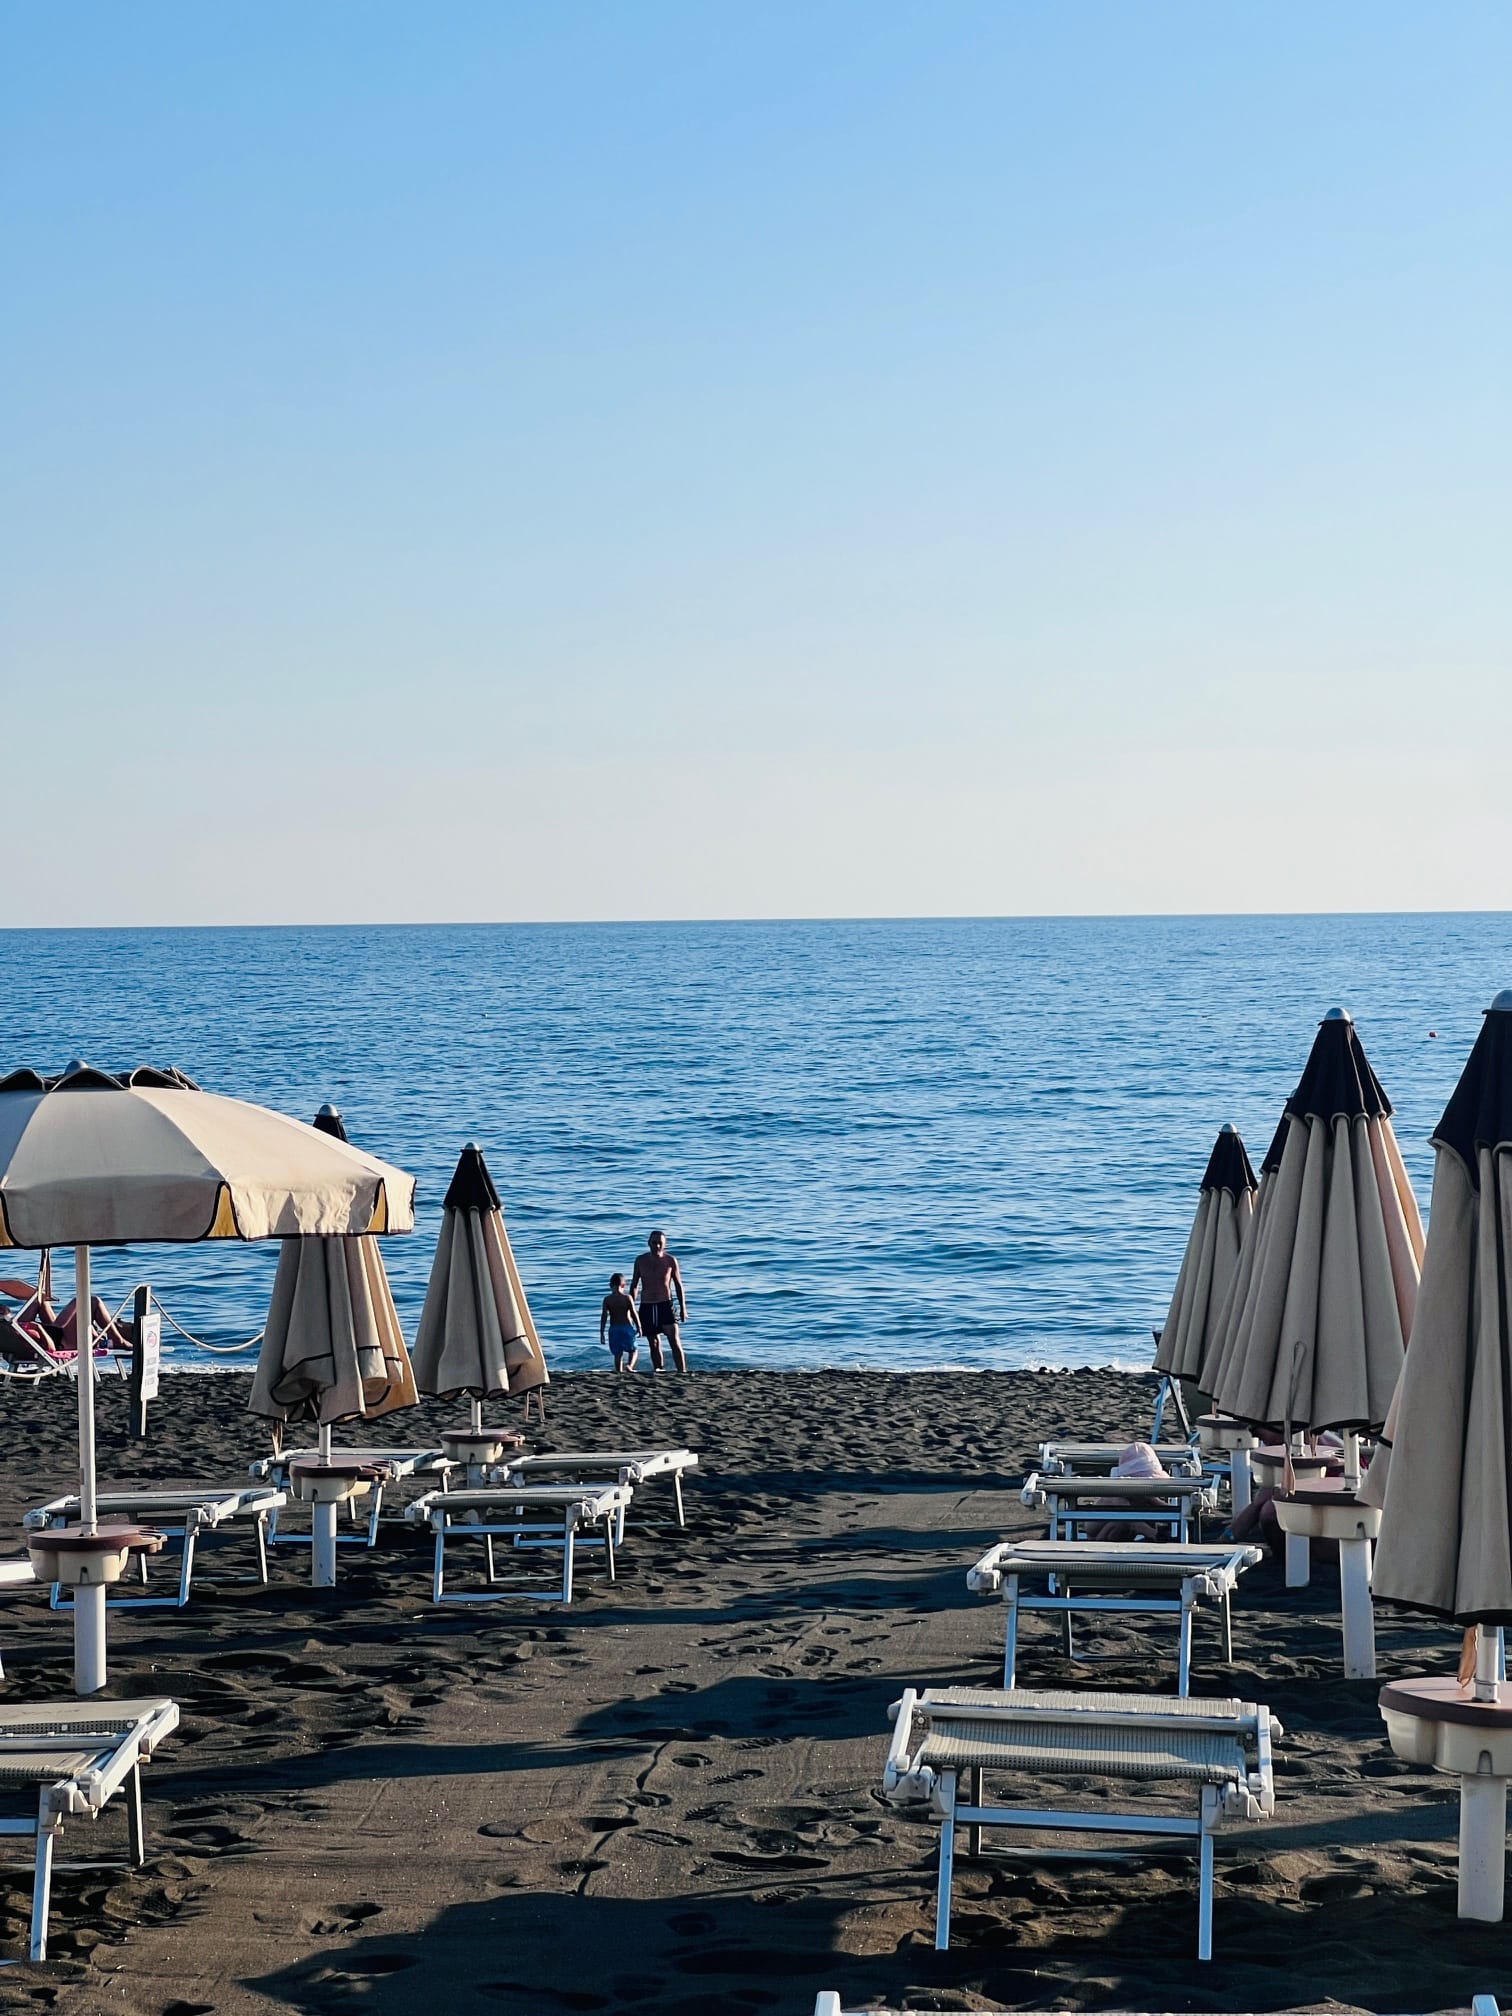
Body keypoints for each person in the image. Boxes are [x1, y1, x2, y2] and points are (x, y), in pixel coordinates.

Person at [630, 1229, 688, 1373]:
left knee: (674, 1340)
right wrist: (631, 1308)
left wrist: (683, 1308)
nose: (657, 1246)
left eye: (660, 1243)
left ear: (665, 1244)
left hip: (665, 1305)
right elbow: (635, 1285)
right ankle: (659, 1370)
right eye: (654, 1243)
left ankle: (682, 1372)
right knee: (653, 1343)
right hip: (647, 1305)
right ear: (648, 1243)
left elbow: (678, 1285)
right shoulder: (640, 1260)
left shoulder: (670, 1261)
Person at [599, 1273, 641, 1374]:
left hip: (614, 1329)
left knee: (618, 1353)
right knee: (633, 1350)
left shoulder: (607, 1299)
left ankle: (619, 1372)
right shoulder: (627, 1298)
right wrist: (639, 1326)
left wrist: (602, 1332)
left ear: (610, 1286)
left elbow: (604, 1316)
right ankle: (630, 1366)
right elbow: (634, 1313)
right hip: (627, 1328)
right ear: (623, 1285)